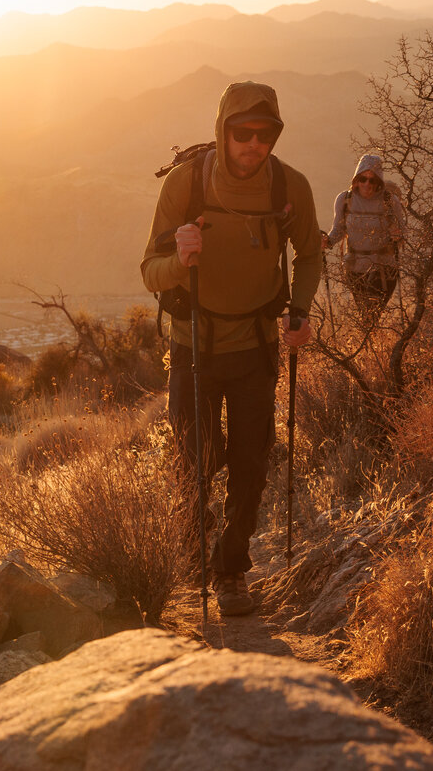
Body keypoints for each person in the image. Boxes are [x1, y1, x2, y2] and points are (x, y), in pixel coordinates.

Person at [140, 81, 324, 617]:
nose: (254, 144)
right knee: (195, 458)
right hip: (193, 343)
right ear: (223, 130)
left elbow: (310, 255)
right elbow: (149, 271)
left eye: (265, 135)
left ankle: (230, 568)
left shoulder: (290, 187)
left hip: (256, 345)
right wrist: (180, 260)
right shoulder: (185, 186)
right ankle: (192, 554)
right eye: (242, 132)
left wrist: (302, 311)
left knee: (252, 461)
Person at [325, 153, 406, 325]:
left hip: (384, 269)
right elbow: (339, 229)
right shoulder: (344, 200)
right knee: (366, 316)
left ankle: (371, 346)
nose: (367, 184)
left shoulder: (390, 201)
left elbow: (402, 234)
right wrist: (327, 242)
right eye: (363, 179)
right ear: (356, 179)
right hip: (355, 268)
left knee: (370, 316)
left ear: (379, 182)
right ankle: (372, 346)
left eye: (372, 180)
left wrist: (397, 234)